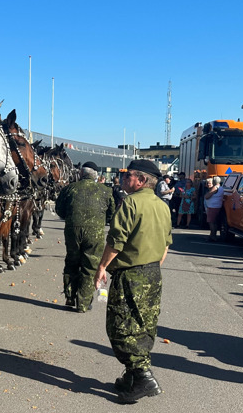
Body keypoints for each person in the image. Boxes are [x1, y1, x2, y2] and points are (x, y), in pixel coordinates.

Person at [93, 159, 171, 404]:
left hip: (131, 275)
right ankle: (132, 378)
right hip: (152, 273)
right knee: (143, 326)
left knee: (120, 327)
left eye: (127, 175)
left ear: (140, 179)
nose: (123, 179)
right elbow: (166, 244)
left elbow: (116, 241)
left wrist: (102, 267)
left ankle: (143, 376)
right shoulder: (163, 206)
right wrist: (151, 266)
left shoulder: (131, 203)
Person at [55, 161, 115, 312]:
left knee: (72, 261)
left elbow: (59, 210)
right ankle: (83, 303)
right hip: (95, 232)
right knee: (90, 266)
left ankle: (70, 295)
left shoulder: (69, 189)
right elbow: (111, 213)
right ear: (95, 175)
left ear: (81, 174)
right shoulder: (106, 191)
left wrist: (70, 219)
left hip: (72, 230)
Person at [204, 176, 225, 242]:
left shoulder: (215, 188)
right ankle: (212, 235)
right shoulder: (221, 188)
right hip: (216, 206)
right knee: (214, 222)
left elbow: (207, 196)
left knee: (211, 222)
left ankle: (213, 236)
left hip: (213, 207)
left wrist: (208, 193)